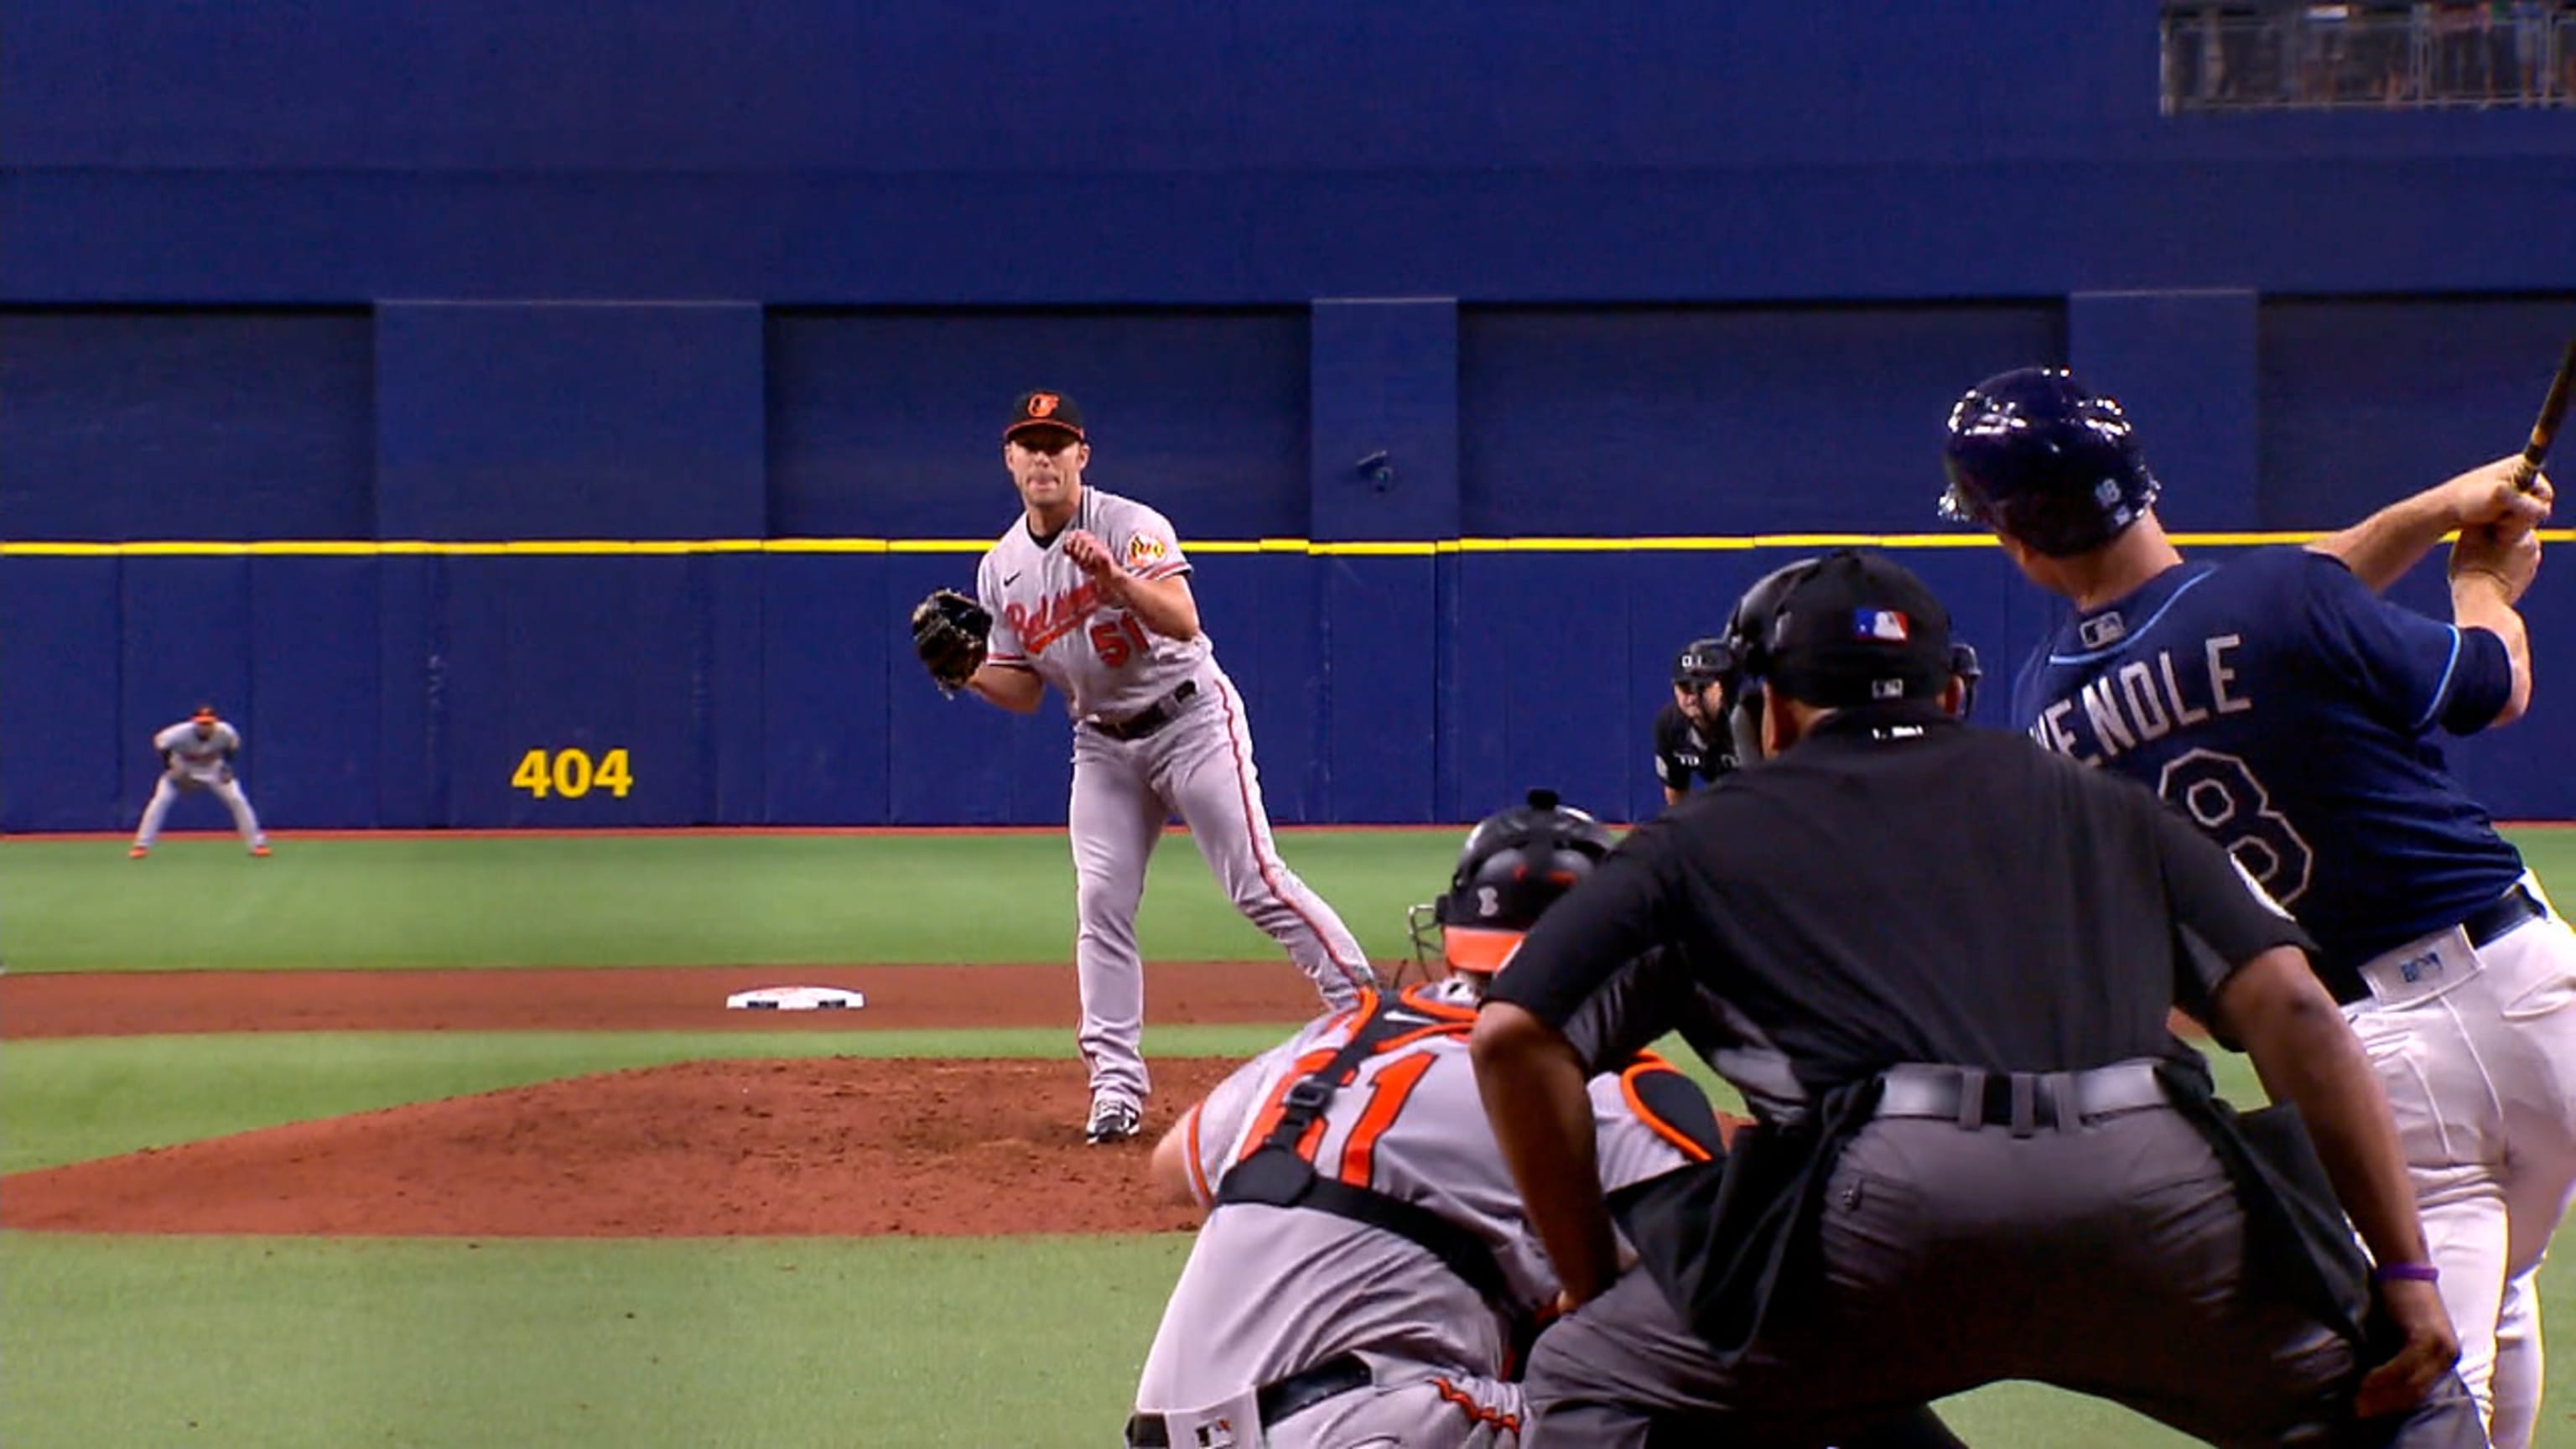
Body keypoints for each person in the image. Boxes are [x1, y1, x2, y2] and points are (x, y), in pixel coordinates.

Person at [1471, 548, 2483, 1448]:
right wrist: (2402, 1275)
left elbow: (1512, 1038)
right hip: (2159, 1188)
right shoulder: (2104, 803)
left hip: (1881, 1217)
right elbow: (2296, 1012)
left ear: (1767, 708)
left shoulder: (1696, 842)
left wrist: (1591, 1278)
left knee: (1592, 1376)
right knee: (2403, 1393)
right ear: (1952, 694)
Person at [1940, 364, 2576, 1449]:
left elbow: (2266, 614)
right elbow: (2487, 682)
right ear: (2140, 481)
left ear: (2019, 540)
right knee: (2504, 1289)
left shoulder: (2046, 711)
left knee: (2433, 1365)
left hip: (2373, 1054)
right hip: (2535, 998)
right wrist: (2481, 583)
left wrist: (2430, 513)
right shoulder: (2283, 601)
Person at [1127, 790, 1963, 1449]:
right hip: (1366, 1425)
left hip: (1167, 1430)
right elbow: (1730, 1294)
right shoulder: (1603, 1080)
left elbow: (1176, 1167)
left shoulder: (1335, 1040)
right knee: (1719, 1375)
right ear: (1610, 943)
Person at [914, 390, 1374, 1145]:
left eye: (1056, 444)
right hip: (1101, 742)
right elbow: (1024, 691)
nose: (1042, 457)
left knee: (1255, 880)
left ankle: (1369, 1013)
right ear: (1009, 460)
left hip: (1190, 717)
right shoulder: (1000, 569)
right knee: (1100, 901)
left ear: (1080, 457)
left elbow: (1184, 620)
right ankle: (1115, 1090)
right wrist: (966, 674)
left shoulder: (1129, 525)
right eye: (1028, 445)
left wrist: (1116, 582)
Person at [130, 704, 269, 860]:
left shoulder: (225, 732)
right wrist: (170, 767)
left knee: (237, 799)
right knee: (160, 801)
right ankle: (141, 845)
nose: (205, 727)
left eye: (208, 723)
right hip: (183, 769)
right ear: (194, 722)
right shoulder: (178, 733)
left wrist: (227, 767)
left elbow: (232, 747)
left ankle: (257, 844)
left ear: (215, 723)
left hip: (213, 770)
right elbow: (161, 744)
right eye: (202, 723)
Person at [1652, 639, 1736, 807]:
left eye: (1701, 687)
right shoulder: (1670, 725)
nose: (1692, 697)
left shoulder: (1748, 718)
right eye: (1685, 688)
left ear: (1720, 687)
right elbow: (1676, 793)